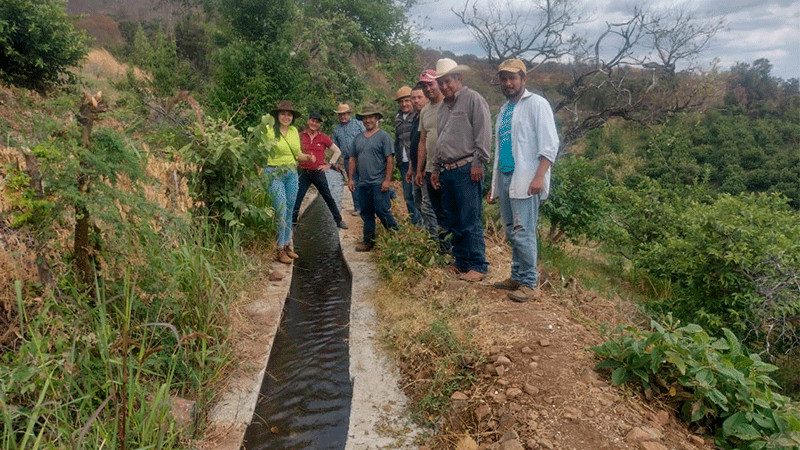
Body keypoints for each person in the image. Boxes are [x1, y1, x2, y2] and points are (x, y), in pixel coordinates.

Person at [488, 59, 559, 302]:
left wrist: (540, 176)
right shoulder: (504, 111)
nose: (508, 83)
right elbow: (500, 150)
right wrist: (494, 186)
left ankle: (529, 282)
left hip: (528, 179)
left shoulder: (537, 104)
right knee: (510, 231)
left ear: (523, 79)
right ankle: (516, 276)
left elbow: (550, 145)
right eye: (504, 79)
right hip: (507, 177)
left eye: (513, 78)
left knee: (524, 231)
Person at [429, 58, 491, 282]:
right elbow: (441, 140)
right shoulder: (444, 107)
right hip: (448, 169)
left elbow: (483, 132)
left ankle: (478, 264)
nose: (445, 87)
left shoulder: (473, 99)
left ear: (458, 79)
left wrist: (478, 162)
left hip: (467, 168)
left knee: (469, 218)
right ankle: (461, 261)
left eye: (448, 82)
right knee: (453, 218)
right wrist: (436, 169)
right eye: (441, 83)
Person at [260, 100, 314, 264]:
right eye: (283, 113)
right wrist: (260, 172)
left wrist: (308, 157)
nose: (286, 117)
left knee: (290, 209)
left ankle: (286, 245)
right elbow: (260, 152)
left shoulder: (293, 131)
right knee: (281, 209)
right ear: (277, 115)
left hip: (291, 172)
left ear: (292, 117)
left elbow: (297, 154)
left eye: (289, 114)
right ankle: (278, 248)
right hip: (274, 172)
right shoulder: (268, 130)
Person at [347, 105, 398, 252]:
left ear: (376, 119)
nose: (368, 120)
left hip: (378, 182)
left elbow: (389, 159)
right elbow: (352, 159)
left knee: (382, 210)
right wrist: (350, 179)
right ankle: (368, 242)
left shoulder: (383, 136)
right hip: (363, 183)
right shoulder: (358, 138)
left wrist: (387, 180)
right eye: (365, 117)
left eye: (371, 117)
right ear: (362, 120)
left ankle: (395, 235)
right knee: (366, 213)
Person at [292, 111, 348, 230]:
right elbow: (294, 151)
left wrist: (329, 164)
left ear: (319, 125)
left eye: (317, 122)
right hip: (303, 171)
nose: (314, 123)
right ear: (308, 121)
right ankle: (293, 223)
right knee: (298, 197)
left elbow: (337, 151)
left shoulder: (323, 137)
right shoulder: (300, 136)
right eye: (312, 121)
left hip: (318, 172)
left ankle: (338, 220)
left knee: (328, 196)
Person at [415, 70, 446, 243]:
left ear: (439, 83)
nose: (427, 89)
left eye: (430, 84)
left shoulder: (449, 105)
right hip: (429, 168)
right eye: (424, 86)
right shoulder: (425, 110)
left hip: (448, 167)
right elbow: (422, 141)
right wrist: (419, 169)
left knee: (448, 208)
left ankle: (450, 246)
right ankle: (436, 243)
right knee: (429, 207)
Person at [406, 83, 438, 236]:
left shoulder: (433, 114)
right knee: (417, 202)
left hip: (429, 169)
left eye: (419, 97)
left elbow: (427, 144)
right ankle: (428, 233)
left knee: (428, 206)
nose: (416, 101)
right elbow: (416, 145)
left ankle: (436, 240)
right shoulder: (416, 118)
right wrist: (413, 168)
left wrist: (424, 168)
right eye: (413, 98)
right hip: (418, 170)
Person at [394, 86, 423, 226]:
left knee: (419, 195)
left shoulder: (418, 116)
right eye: (401, 102)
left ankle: (425, 224)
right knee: (408, 196)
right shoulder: (398, 118)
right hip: (404, 164)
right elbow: (397, 140)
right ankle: (415, 223)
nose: (404, 104)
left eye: (407, 100)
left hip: (417, 163)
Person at [332, 102, 365, 216]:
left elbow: (367, 136)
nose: (343, 116)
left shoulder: (358, 124)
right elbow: (335, 147)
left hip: (362, 157)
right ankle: (358, 207)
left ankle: (369, 206)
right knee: (353, 182)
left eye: (345, 114)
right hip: (347, 159)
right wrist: (335, 162)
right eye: (341, 114)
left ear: (349, 114)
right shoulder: (337, 130)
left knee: (365, 180)